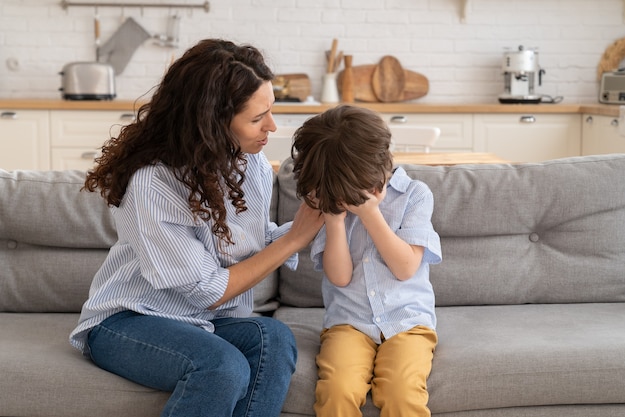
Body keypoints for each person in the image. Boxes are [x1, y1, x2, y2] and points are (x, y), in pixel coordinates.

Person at [69, 38, 323, 417]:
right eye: (257, 118)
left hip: (206, 323)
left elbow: (250, 240)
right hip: (132, 320)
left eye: (270, 111)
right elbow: (208, 290)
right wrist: (294, 240)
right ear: (212, 124)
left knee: (274, 338)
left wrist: (320, 217)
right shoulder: (153, 183)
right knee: (222, 368)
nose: (272, 126)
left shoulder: (248, 164)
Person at [291, 105, 442, 417]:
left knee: (401, 393)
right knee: (336, 391)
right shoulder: (332, 197)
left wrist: (370, 213)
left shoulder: (414, 194)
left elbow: (405, 268)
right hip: (349, 323)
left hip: (408, 322)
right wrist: (334, 221)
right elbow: (340, 278)